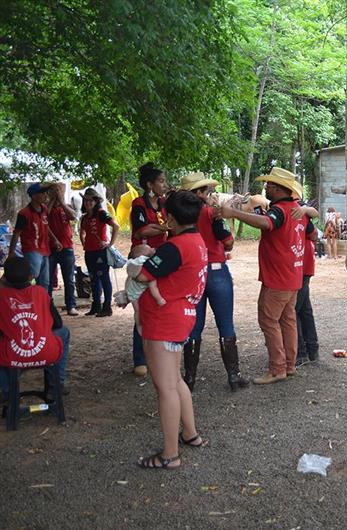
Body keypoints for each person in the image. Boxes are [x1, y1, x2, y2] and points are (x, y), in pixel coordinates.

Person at [217, 167, 314, 385]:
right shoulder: (298, 210)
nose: (265, 188)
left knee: (269, 320)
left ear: (279, 189)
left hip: (278, 278)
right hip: (294, 276)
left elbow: (265, 223)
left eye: (269, 185)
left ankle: (277, 369)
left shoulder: (279, 210)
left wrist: (234, 213)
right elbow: (313, 235)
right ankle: (289, 365)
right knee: (287, 320)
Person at [135, 190, 207, 469]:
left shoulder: (174, 247)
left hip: (164, 321)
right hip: (182, 317)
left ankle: (170, 455)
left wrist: (141, 256)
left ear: (171, 219)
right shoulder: (197, 240)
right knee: (175, 381)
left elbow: (142, 275)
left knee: (165, 388)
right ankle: (190, 434)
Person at [180, 172, 249, 392]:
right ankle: (234, 376)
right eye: (206, 190)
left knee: (194, 326)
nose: (209, 194)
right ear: (199, 193)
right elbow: (228, 242)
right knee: (225, 323)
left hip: (192, 272)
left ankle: (189, 378)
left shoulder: (178, 216)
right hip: (216, 271)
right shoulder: (212, 212)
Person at [0, 257, 70, 401]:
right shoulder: (41, 292)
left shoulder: (1, 296)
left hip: (12, 357)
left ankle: (7, 392)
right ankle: (56, 385)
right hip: (46, 353)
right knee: (64, 332)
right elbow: (58, 323)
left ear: (4, 278)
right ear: (31, 276)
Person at [129, 163, 169, 377]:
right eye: (161, 181)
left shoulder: (164, 203)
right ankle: (140, 358)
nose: (165, 185)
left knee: (160, 305)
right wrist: (163, 228)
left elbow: (165, 225)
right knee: (142, 307)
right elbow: (142, 230)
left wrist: (159, 228)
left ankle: (158, 352)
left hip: (162, 258)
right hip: (143, 260)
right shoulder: (138, 204)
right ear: (149, 185)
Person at [79, 188, 119, 318]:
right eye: (86, 200)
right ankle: (96, 306)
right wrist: (84, 243)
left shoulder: (101, 214)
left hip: (100, 252)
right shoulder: (84, 217)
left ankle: (107, 306)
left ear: (96, 201)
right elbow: (82, 232)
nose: (88, 203)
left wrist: (110, 244)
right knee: (93, 278)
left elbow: (116, 226)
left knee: (103, 278)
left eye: (91, 200)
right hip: (89, 252)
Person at [9, 183, 55, 291]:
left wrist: (55, 240)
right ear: (34, 196)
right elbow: (16, 233)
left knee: (45, 281)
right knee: (31, 276)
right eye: (42, 193)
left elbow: (45, 226)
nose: (45, 195)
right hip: (32, 249)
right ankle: (22, 296)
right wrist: (11, 252)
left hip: (45, 249)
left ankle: (42, 300)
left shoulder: (44, 209)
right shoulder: (24, 213)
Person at [295, 185, 320, 367]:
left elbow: (314, 234)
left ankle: (300, 352)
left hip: (299, 266)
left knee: (294, 310)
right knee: (304, 308)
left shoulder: (296, 210)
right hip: (305, 265)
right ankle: (312, 349)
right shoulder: (302, 210)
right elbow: (314, 234)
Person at [114, 244, 163, 334]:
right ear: (141, 255)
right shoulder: (141, 260)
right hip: (137, 290)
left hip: (132, 291)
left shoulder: (133, 262)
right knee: (152, 282)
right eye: (148, 249)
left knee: (137, 311)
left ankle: (139, 326)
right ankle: (158, 299)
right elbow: (158, 262)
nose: (152, 248)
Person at [47, 184, 79, 316]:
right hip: (50, 247)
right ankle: (48, 306)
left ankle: (71, 305)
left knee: (69, 279)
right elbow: (44, 217)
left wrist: (61, 201)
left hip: (67, 247)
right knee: (48, 279)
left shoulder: (66, 206)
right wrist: (53, 200)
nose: (57, 192)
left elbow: (73, 216)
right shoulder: (45, 207)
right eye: (54, 191)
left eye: (59, 190)